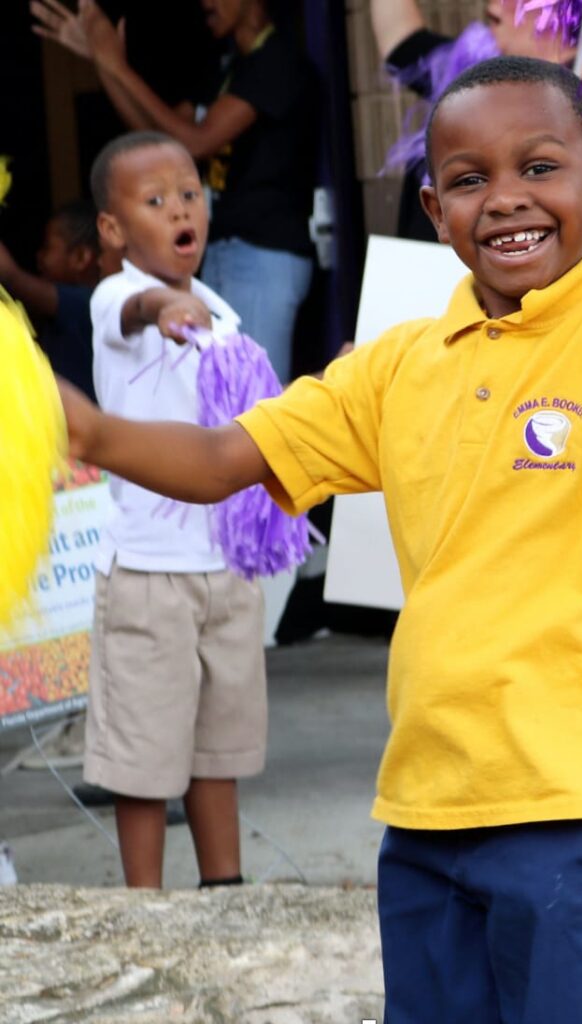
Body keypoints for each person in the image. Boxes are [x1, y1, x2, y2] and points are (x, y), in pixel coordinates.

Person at [58, 58, 582, 1019]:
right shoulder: (394, 370)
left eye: (539, 168)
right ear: (432, 207)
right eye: (469, 180)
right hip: (426, 805)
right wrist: (82, 430)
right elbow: (224, 456)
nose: (506, 200)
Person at [79, 129, 267, 889]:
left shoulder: (220, 312)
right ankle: (144, 905)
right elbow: (138, 309)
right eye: (154, 201)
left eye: (189, 193)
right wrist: (163, 308)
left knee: (216, 749)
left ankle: (225, 891)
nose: (180, 208)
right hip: (150, 574)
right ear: (114, 229)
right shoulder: (116, 296)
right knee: (144, 755)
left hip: (224, 566)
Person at [32, 0, 319, 383]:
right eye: (156, 200)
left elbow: (197, 143)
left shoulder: (277, 60)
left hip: (261, 252)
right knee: (224, 397)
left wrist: (115, 64)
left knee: (251, 405)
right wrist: (104, 63)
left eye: (186, 195)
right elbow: (160, 144)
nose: (204, 2)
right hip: (227, 249)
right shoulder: (228, 63)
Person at [372, 0, 582, 269]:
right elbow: (400, 39)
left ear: (569, 16)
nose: (493, 7)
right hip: (429, 296)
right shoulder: (466, 77)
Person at [0, 199, 100, 401]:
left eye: (47, 247)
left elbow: (13, 278)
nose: (39, 256)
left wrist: (10, 273)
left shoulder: (87, 303)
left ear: (81, 257)